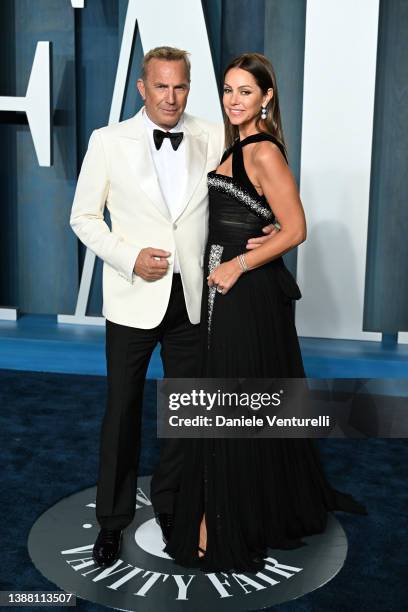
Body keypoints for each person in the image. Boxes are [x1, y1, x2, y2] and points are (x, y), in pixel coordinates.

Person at [70, 46, 275, 568]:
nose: (170, 97)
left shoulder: (212, 135)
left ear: (189, 88)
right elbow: (84, 218)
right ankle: (112, 522)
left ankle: (174, 509)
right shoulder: (108, 141)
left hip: (192, 299)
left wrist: (265, 225)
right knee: (122, 412)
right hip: (133, 298)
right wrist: (129, 256)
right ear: (143, 88)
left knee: (186, 413)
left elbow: (238, 192)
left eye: (180, 86)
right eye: (160, 86)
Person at [163, 52, 367, 573]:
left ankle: (223, 520)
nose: (234, 100)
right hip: (224, 291)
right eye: (228, 90)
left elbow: (297, 228)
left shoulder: (262, 152)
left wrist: (240, 265)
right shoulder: (237, 145)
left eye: (245, 92)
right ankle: (241, 504)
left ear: (266, 98)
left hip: (246, 295)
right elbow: (271, 218)